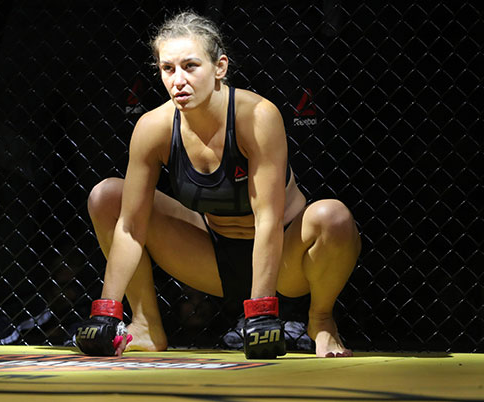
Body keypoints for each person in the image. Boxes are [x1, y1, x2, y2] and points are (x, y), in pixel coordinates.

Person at [77, 11, 361, 359]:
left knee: (333, 217)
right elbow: (131, 227)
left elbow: (269, 219)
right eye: (168, 69)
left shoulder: (256, 116)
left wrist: (260, 313)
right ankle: (144, 324)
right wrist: (106, 310)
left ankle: (321, 320)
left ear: (220, 68)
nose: (178, 80)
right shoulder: (154, 127)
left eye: (191, 66)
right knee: (107, 196)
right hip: (214, 256)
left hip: (287, 259)